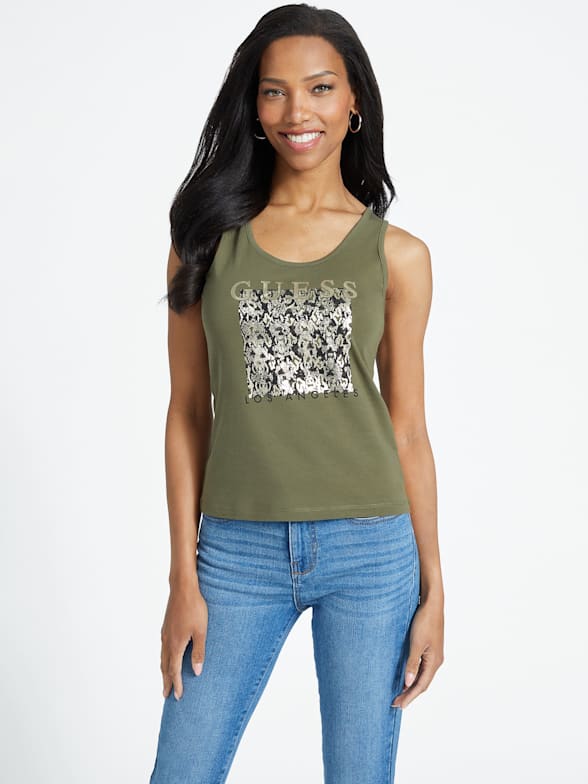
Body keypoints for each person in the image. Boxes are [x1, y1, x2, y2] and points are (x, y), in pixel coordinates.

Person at [149, 4, 444, 783]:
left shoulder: (399, 256)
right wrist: (183, 577)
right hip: (236, 552)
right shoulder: (203, 243)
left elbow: (408, 430)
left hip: (372, 551)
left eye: (319, 88)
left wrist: (434, 589)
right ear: (253, 107)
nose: (296, 112)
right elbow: (187, 413)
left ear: (354, 103)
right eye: (274, 91)